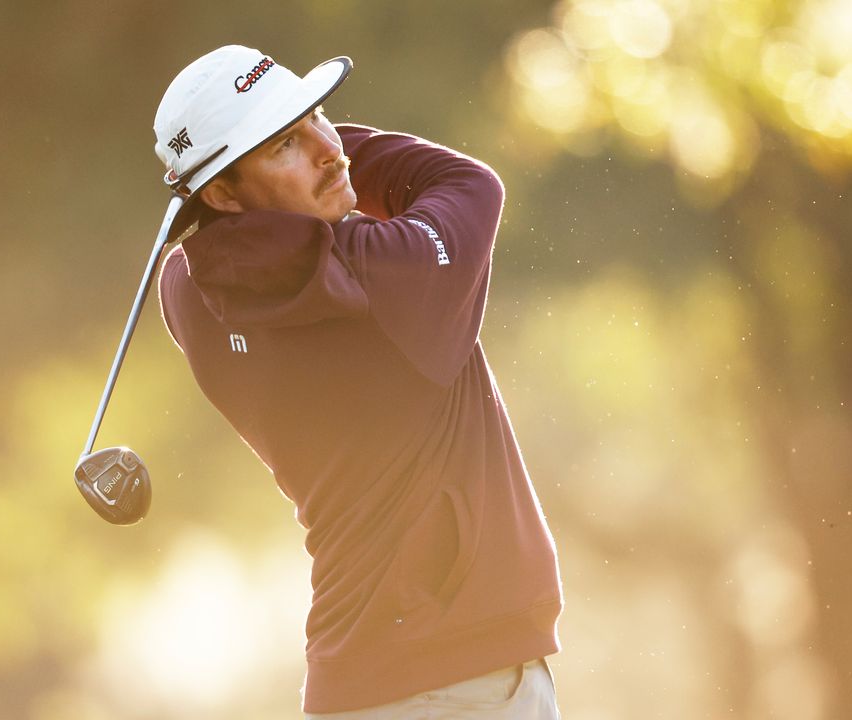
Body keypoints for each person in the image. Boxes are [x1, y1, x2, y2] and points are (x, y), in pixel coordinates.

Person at [151, 45, 564, 718]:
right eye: (285, 141)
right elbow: (466, 184)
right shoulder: (385, 281)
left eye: (319, 115)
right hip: (458, 685)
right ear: (223, 192)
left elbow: (234, 246)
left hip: (362, 684)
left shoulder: (187, 294)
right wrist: (338, 154)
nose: (328, 146)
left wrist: (263, 168)